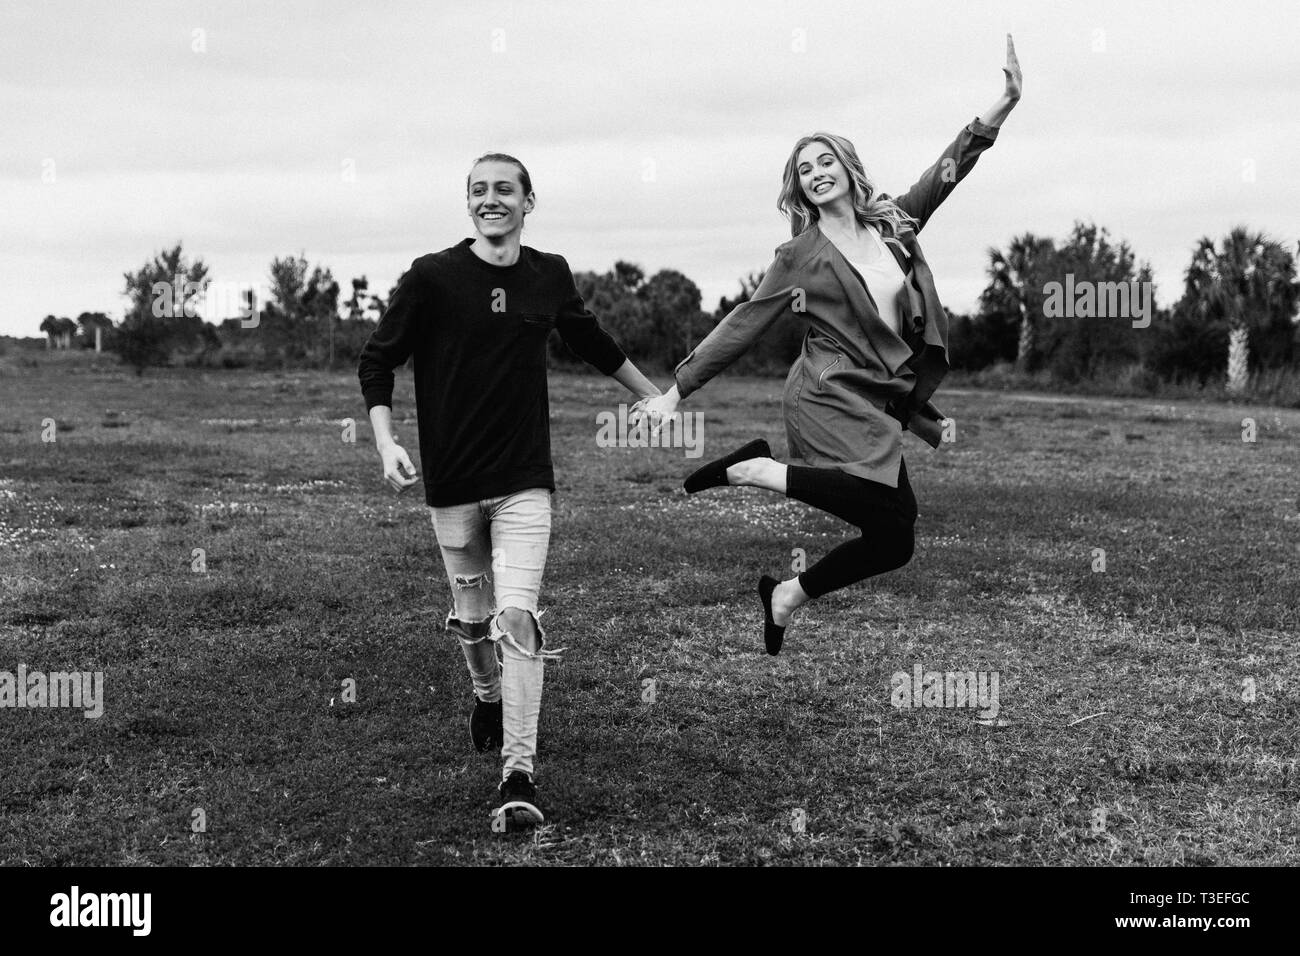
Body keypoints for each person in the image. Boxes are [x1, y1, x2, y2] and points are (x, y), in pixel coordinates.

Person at [634, 36, 1022, 655]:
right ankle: (755, 468)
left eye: (823, 162)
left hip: (876, 394)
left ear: (846, 166)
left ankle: (786, 594)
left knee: (895, 539)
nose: (815, 174)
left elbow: (946, 173)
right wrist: (676, 389)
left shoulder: (891, 223)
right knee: (882, 512)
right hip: (827, 391)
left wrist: (1000, 107)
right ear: (798, 188)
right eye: (803, 170)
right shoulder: (800, 258)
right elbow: (746, 321)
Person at [358, 152, 660, 829]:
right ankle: (485, 691)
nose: (490, 199)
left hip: (525, 479)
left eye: (503, 189)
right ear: (468, 203)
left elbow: (591, 341)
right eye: (478, 190)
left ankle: (517, 775)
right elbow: (377, 360)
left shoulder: (548, 274)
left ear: (529, 201)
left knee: (517, 616)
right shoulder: (432, 277)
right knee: (472, 614)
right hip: (453, 479)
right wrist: (386, 441)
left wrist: (653, 395)